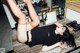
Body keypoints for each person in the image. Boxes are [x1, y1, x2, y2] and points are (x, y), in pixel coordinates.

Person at [7, 0, 76, 52]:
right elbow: (59, 24)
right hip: (27, 30)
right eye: (62, 26)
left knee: (22, 17)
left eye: (62, 29)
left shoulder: (54, 39)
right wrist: (68, 28)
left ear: (61, 34)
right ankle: (28, 2)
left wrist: (57, 44)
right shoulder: (54, 26)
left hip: (25, 38)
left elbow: (44, 49)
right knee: (37, 21)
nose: (61, 26)